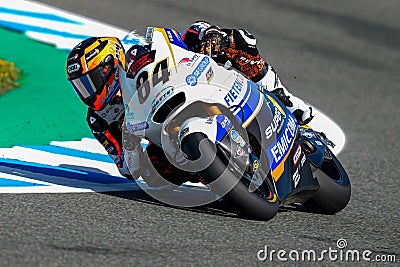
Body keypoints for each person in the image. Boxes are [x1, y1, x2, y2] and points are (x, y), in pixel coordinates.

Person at [66, 22, 313, 185]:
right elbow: (127, 168)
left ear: (111, 63)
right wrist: (129, 145)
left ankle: (285, 99)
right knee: (154, 175)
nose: (89, 91)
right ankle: (214, 171)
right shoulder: (99, 119)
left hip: (201, 86)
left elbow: (181, 37)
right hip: (168, 131)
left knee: (235, 41)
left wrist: (208, 36)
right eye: (82, 86)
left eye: (91, 80)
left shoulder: (141, 55)